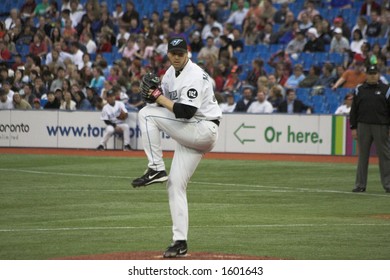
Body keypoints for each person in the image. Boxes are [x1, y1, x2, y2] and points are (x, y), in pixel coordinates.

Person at [131, 37, 221, 258]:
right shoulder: (170, 74)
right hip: (190, 131)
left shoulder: (195, 75)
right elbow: (163, 104)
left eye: (181, 53)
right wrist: (152, 97)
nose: (177, 57)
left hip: (202, 128)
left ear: (187, 53)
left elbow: (184, 111)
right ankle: (180, 242)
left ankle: (155, 168)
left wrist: (156, 98)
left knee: (145, 114)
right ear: (168, 54)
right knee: (174, 186)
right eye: (174, 53)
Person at [349, 64, 390, 193]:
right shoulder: (359, 89)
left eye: (375, 74)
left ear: (378, 75)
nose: (372, 76)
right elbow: (354, 110)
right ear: (366, 75)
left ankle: (388, 184)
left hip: (381, 126)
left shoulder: (386, 89)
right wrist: (353, 127)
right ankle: (360, 185)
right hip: (363, 126)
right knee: (362, 156)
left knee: (385, 156)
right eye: (370, 74)